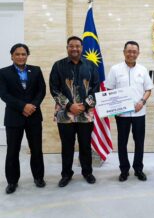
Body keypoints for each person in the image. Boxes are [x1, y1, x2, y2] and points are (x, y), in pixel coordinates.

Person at [49, 36, 99, 187]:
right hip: (65, 115)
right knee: (67, 146)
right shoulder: (58, 66)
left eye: (77, 46)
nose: (74, 49)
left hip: (85, 114)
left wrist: (84, 105)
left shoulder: (91, 65)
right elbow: (54, 89)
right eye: (71, 46)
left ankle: (87, 172)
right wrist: (69, 105)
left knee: (85, 145)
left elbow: (96, 88)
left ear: (82, 48)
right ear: (67, 47)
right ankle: (66, 174)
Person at [0, 43, 46, 194]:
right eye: (17, 54)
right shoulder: (3, 72)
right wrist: (22, 106)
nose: (20, 57)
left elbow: (41, 91)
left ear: (27, 55)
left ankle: (38, 177)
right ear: (12, 56)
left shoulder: (36, 70)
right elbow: (4, 94)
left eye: (23, 54)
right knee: (13, 151)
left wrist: (32, 105)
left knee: (37, 149)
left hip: (34, 116)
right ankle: (12, 181)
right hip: (14, 118)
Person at [105, 41, 153, 182]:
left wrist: (142, 102)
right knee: (122, 143)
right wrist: (116, 105)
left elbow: (148, 89)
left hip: (139, 113)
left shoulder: (143, 70)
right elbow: (109, 89)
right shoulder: (115, 69)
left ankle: (138, 169)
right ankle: (124, 170)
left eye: (134, 51)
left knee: (139, 142)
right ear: (124, 52)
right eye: (129, 51)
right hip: (122, 114)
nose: (131, 54)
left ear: (138, 53)